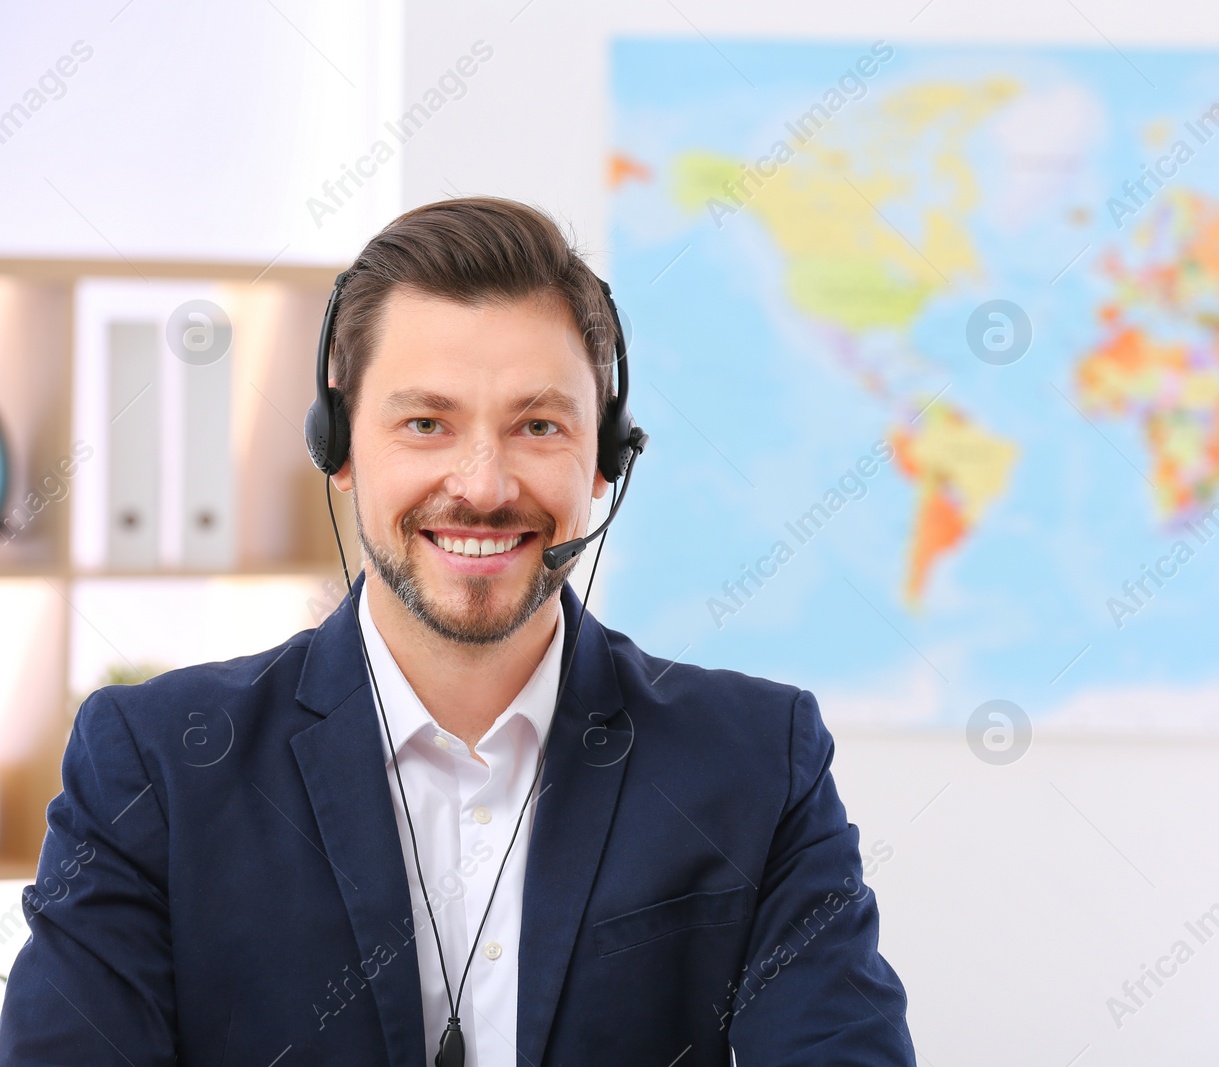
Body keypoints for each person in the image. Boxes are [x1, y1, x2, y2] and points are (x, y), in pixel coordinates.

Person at [0, 197, 914, 1065]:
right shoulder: (156, 764)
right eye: (427, 422)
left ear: (604, 460)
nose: (482, 484)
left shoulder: (757, 761)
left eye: (539, 424)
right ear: (340, 447)